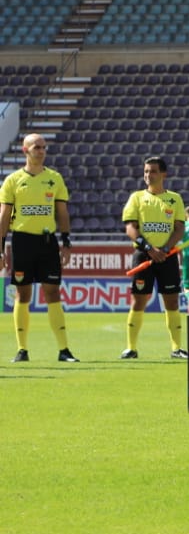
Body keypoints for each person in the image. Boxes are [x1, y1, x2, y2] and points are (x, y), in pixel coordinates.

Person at [0, 133, 77, 362]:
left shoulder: (55, 178)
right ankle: (22, 350)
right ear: (25, 150)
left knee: (52, 291)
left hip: (47, 242)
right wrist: (0, 248)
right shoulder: (13, 180)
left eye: (43, 147)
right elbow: (4, 216)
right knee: (23, 294)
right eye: (36, 147)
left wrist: (65, 241)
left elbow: (62, 212)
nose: (41, 151)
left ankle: (64, 350)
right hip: (22, 241)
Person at [121, 156, 187, 359]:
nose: (148, 175)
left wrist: (166, 249)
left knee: (172, 301)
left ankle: (176, 348)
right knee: (138, 300)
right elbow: (130, 228)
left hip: (167, 256)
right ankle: (131, 348)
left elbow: (179, 228)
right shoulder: (137, 198)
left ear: (163, 174)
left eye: (153, 171)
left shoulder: (174, 199)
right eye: (146, 171)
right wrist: (150, 249)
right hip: (144, 255)